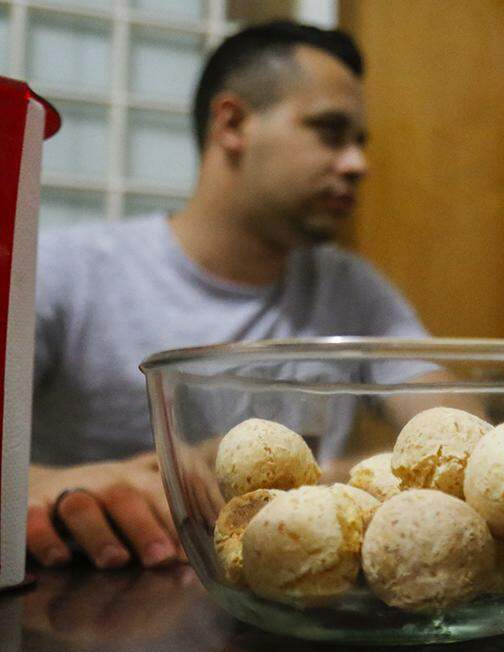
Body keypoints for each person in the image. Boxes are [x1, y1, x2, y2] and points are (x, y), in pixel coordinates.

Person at [27, 22, 428, 570]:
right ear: (233, 123)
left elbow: (454, 435)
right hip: (94, 597)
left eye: (359, 142)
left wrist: (273, 478)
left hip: (287, 605)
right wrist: (52, 483)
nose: (358, 164)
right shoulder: (65, 271)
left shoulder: (350, 287)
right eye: (330, 132)